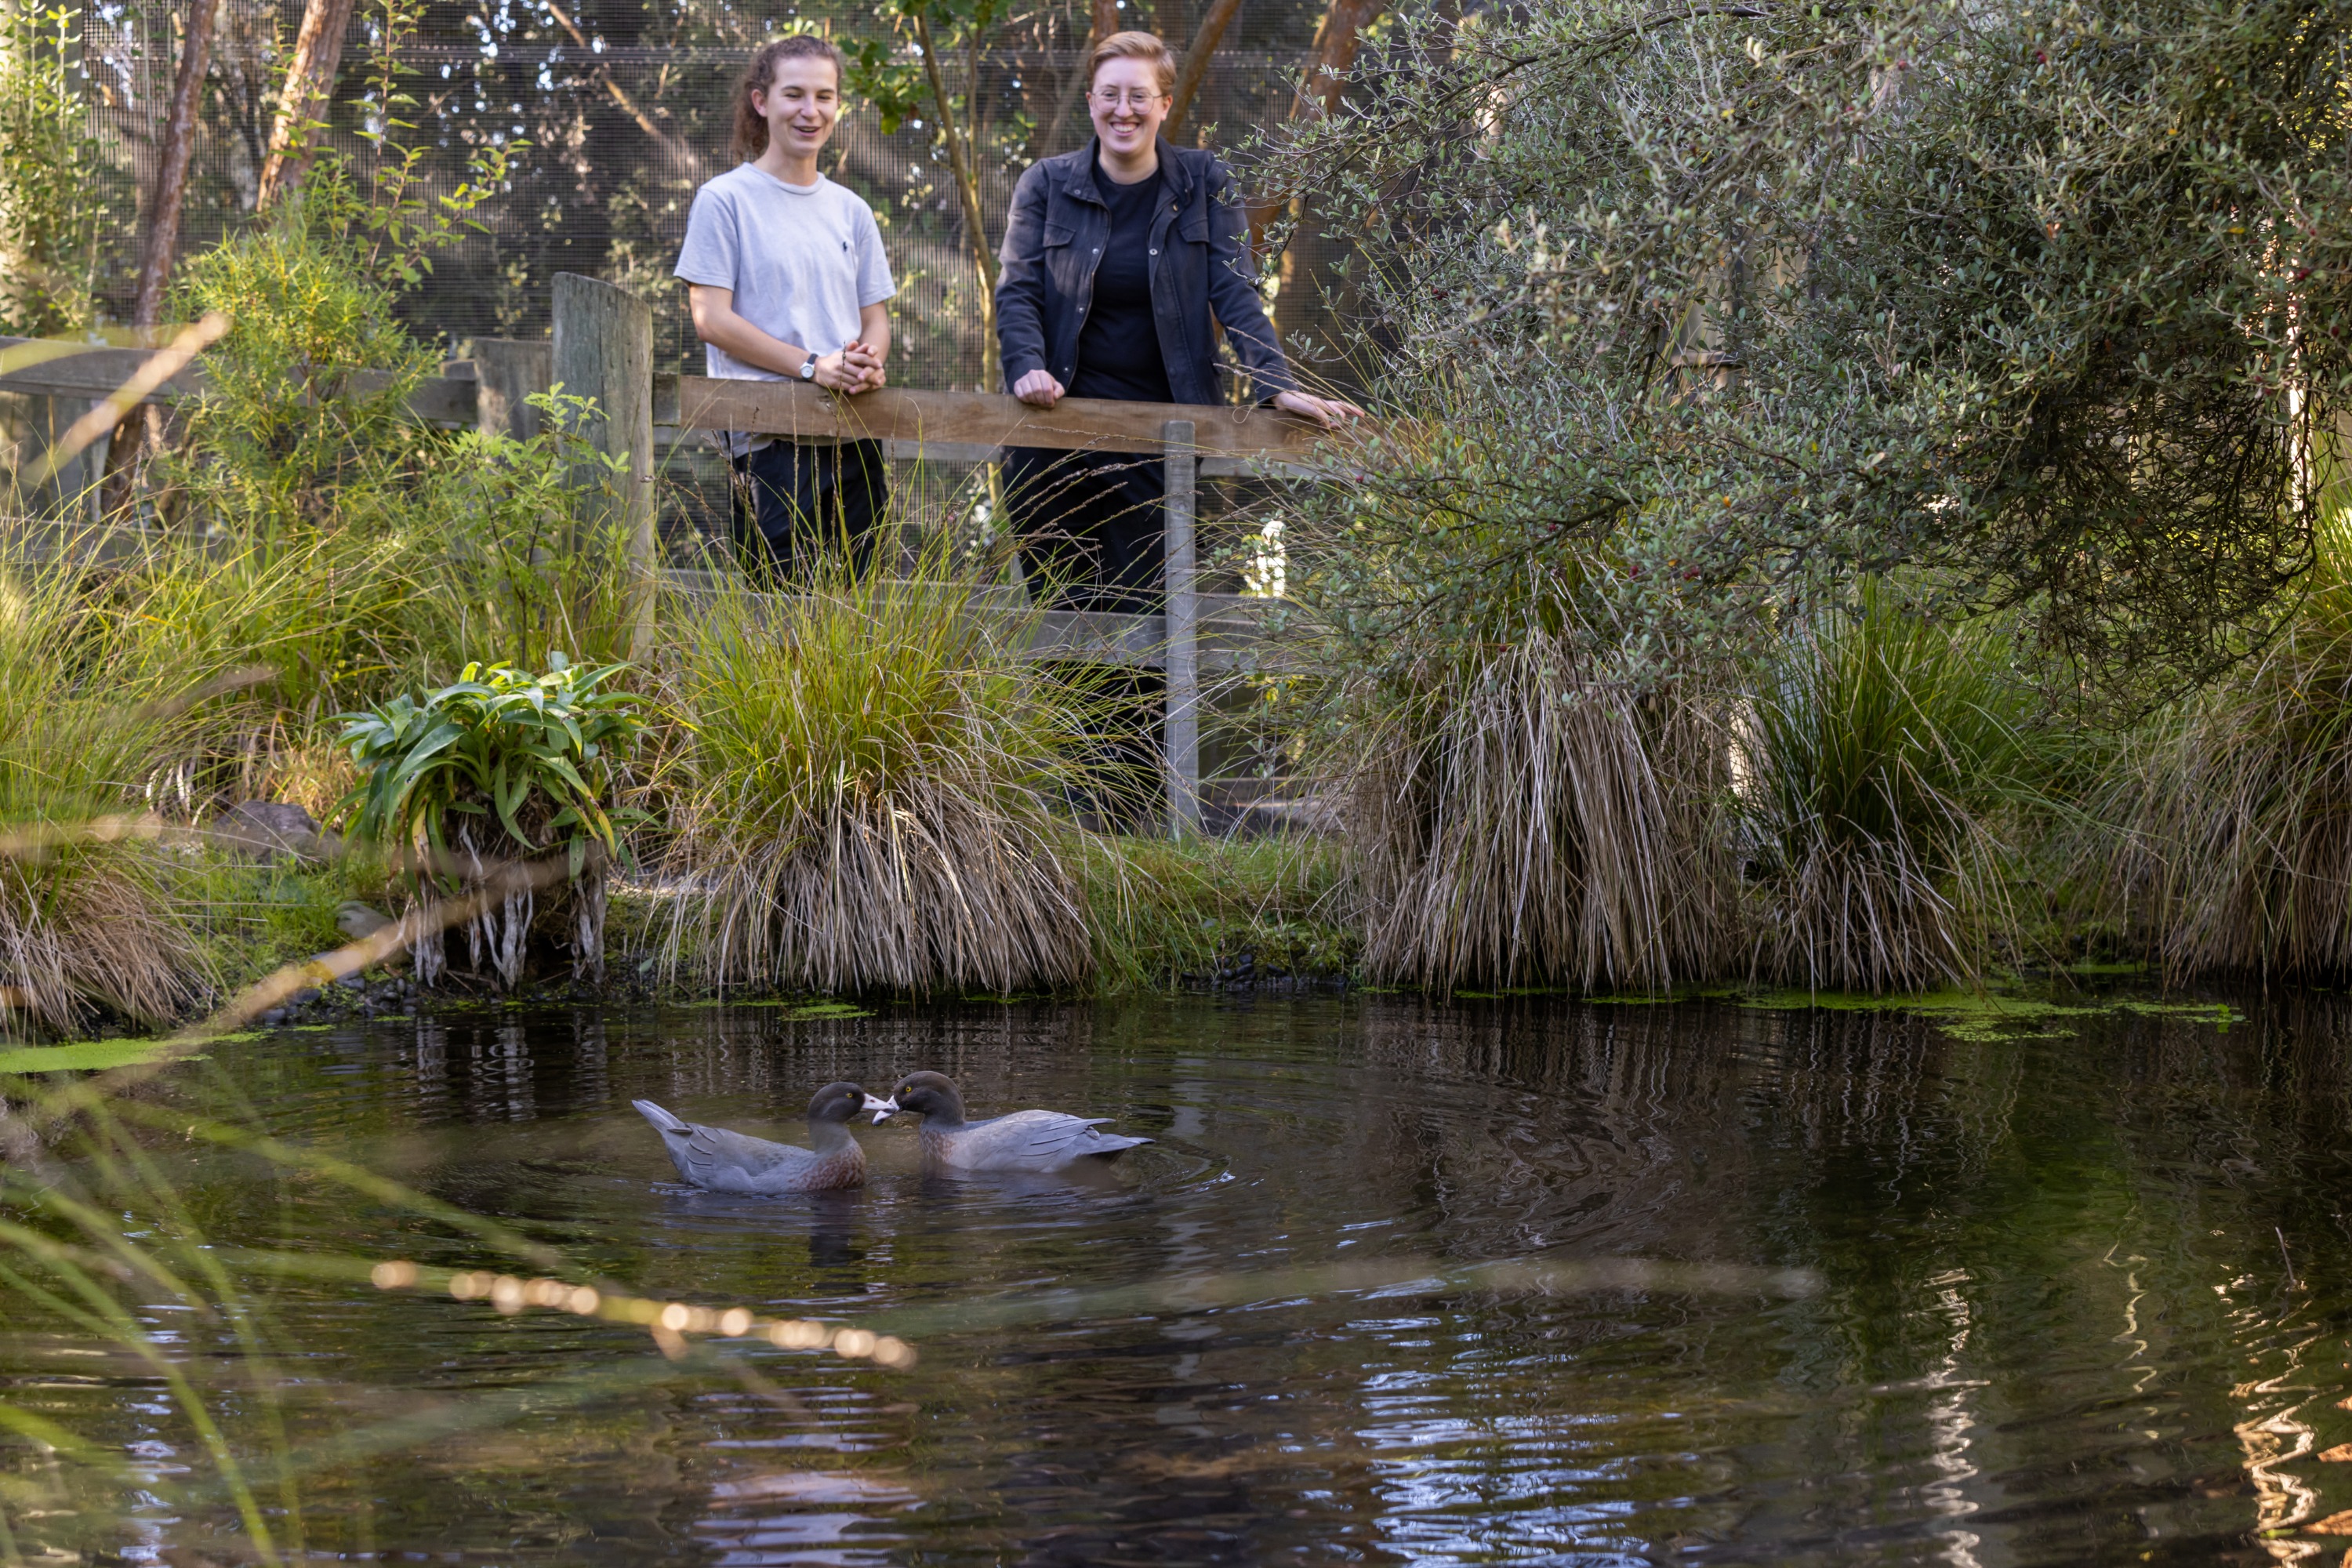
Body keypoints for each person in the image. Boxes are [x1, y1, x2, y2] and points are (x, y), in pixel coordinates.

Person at [994, 30, 1363, 826]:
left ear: (1165, 103)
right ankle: (1092, 804)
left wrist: (1276, 387)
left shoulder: (1202, 183)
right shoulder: (1046, 186)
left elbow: (1234, 292)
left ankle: (1144, 805)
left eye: (1140, 95)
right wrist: (1026, 366)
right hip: (1052, 440)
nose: (1124, 109)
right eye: (1110, 93)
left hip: (1168, 449)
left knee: (1154, 620)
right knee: (1072, 617)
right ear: (1092, 100)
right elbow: (1017, 291)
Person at [674, 34, 896, 582]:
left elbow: (875, 317)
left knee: (860, 611)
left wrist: (867, 360)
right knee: (775, 616)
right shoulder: (724, 200)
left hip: (853, 434)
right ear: (761, 101)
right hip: (766, 440)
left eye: (824, 96)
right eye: (794, 94)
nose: (810, 110)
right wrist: (813, 366)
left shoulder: (852, 210)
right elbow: (711, 319)